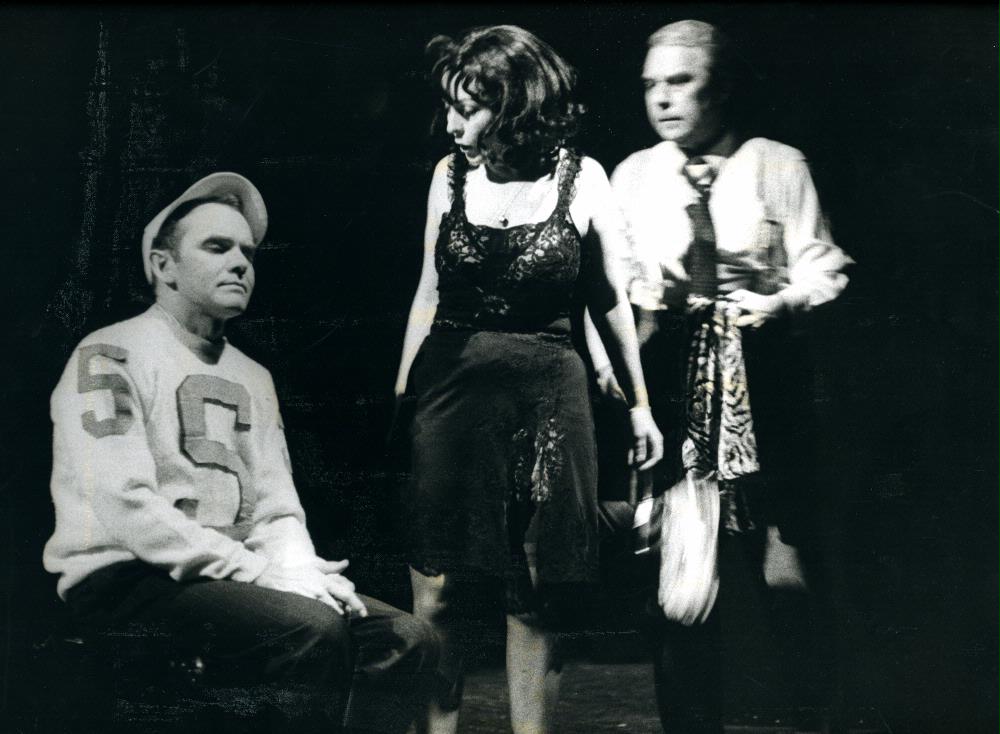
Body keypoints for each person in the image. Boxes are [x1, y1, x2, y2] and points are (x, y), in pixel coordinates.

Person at [43, 172, 439, 734]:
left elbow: (276, 510)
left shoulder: (254, 375)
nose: (240, 264)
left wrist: (301, 573)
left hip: (232, 578)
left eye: (247, 253)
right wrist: (263, 574)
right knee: (309, 629)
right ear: (163, 265)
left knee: (407, 638)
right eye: (217, 247)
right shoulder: (110, 353)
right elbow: (127, 507)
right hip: (127, 579)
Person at [394, 25, 663, 734]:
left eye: (469, 108)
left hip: (549, 393)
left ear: (516, 108)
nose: (452, 124)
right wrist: (402, 392)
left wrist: (640, 405)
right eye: (450, 106)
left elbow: (609, 301)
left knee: (539, 590)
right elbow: (427, 291)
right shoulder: (449, 176)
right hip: (452, 390)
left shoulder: (583, 177)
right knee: (438, 587)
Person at [601, 20, 855, 734]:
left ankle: (811, 716)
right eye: (650, 84)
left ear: (723, 87)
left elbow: (822, 265)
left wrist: (780, 302)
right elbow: (617, 286)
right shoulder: (634, 175)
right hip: (675, 388)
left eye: (680, 81)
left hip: (766, 385)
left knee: (783, 569)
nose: (662, 98)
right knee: (681, 577)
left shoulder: (776, 164)